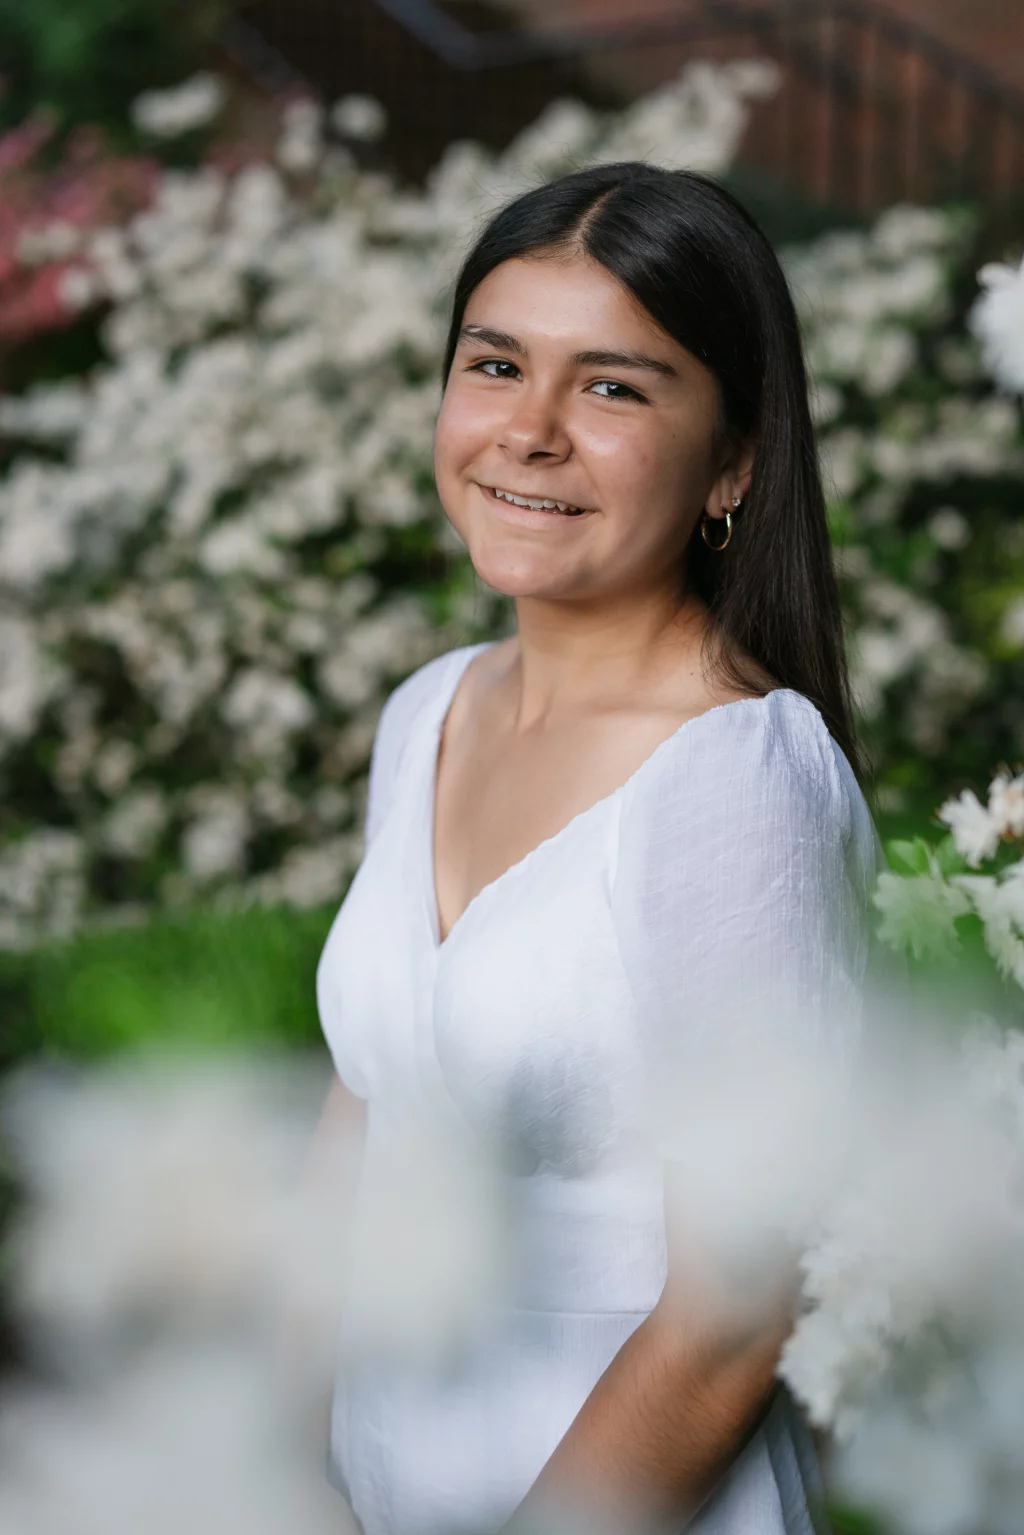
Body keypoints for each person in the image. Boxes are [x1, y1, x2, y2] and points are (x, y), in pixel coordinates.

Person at [315, 161, 881, 1535]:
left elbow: (735, 1310)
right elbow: (366, 1125)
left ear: (734, 461)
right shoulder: (430, 712)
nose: (531, 431)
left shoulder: (734, 777)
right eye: (497, 364)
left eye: (614, 387)